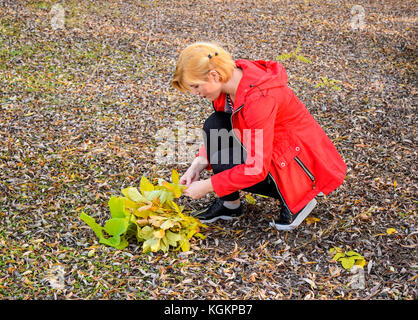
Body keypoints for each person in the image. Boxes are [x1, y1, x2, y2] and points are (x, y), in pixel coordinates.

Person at [171, 42, 347, 231]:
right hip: (272, 149)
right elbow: (226, 128)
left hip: (300, 166)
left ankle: (299, 198)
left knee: (224, 160)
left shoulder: (259, 99)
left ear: (214, 75)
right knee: (215, 124)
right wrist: (197, 165)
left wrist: (209, 185)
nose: (196, 93)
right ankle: (230, 205)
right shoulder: (232, 82)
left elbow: (256, 169)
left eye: (196, 86)